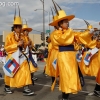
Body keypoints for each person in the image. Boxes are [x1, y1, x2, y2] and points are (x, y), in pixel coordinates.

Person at [50, 0, 96, 100]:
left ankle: (66, 95)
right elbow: (62, 40)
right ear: (60, 23)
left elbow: (80, 36)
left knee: (72, 75)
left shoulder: (70, 32)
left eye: (67, 21)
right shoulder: (56, 33)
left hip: (71, 56)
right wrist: (71, 33)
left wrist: (89, 33)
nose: (67, 23)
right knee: (66, 75)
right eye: (65, 21)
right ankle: (64, 96)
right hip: (63, 56)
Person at [4, 6, 34, 96]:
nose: (20, 29)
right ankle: (7, 86)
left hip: (21, 56)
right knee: (11, 72)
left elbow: (24, 47)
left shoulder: (23, 36)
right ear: (15, 27)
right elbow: (7, 48)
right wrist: (16, 45)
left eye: (20, 27)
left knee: (25, 70)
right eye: (18, 27)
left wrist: (26, 44)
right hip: (12, 56)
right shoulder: (9, 36)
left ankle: (26, 88)